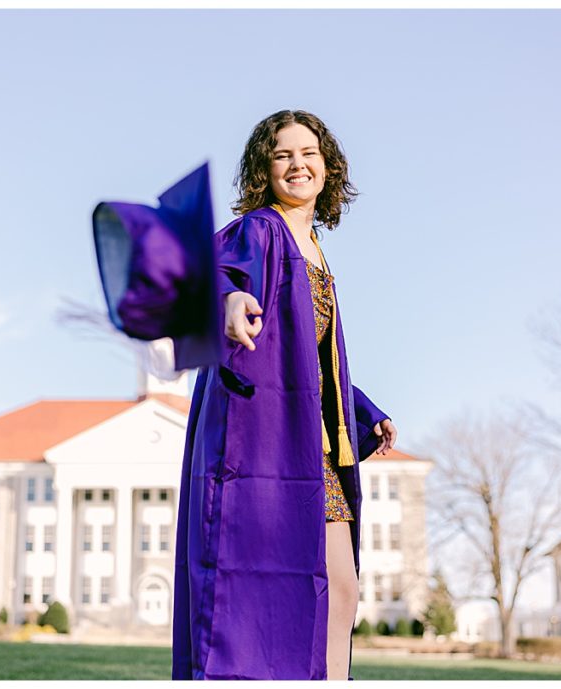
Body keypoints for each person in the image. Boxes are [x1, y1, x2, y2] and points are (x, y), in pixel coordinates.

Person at [172, 110, 397, 681]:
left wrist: (366, 413)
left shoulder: (316, 249)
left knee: (339, 587)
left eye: (309, 153)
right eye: (282, 155)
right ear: (264, 170)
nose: (298, 164)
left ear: (328, 166)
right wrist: (226, 302)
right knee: (250, 595)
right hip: (260, 443)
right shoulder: (261, 230)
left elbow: (314, 360)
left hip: (314, 447)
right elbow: (212, 273)